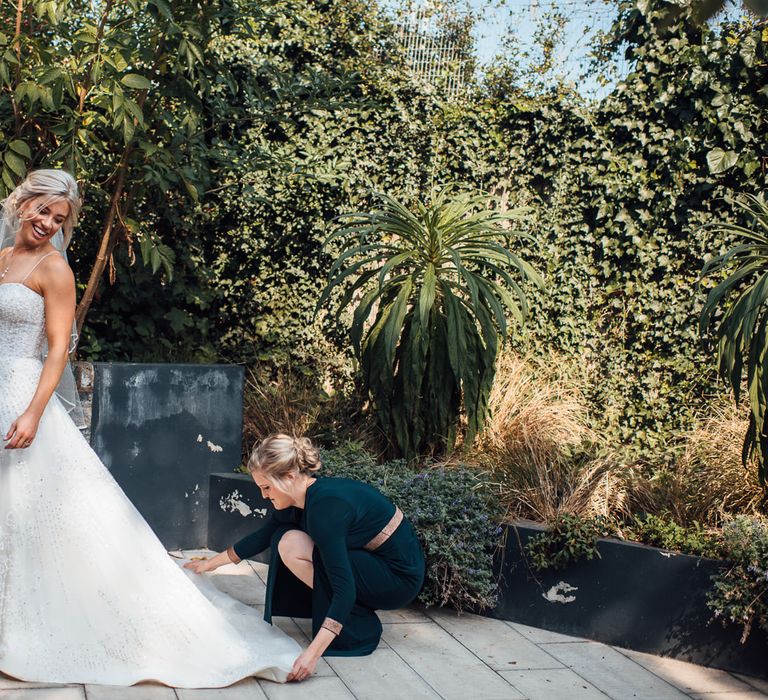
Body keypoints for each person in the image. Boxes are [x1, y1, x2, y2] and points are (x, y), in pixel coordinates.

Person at [0, 169, 300, 687]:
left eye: (60, 217)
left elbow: (57, 350)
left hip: (25, 398)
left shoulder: (55, 270)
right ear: (21, 203)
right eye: (42, 210)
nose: (49, 223)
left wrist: (31, 411)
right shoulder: (2, 260)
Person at [186, 434, 426, 682]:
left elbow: (344, 588)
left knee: (294, 545)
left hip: (398, 579)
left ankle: (355, 623)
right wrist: (209, 565)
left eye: (266, 487)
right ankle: (345, 613)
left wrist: (311, 655)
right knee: (285, 538)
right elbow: (262, 537)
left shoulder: (325, 510)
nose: (264, 496)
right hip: (374, 562)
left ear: (289, 477)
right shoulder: (299, 499)